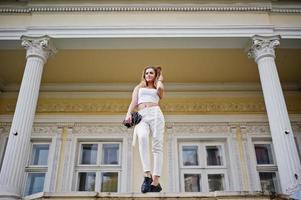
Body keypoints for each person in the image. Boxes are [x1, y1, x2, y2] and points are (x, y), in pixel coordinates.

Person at [124, 65, 165, 193]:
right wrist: (128, 114)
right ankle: (147, 174)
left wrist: (160, 80)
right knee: (142, 137)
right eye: (146, 73)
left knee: (157, 146)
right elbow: (133, 102)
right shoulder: (139, 87)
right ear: (144, 75)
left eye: (151, 73)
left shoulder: (157, 87)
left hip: (156, 114)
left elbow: (161, 92)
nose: (148, 75)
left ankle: (156, 181)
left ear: (155, 75)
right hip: (142, 115)